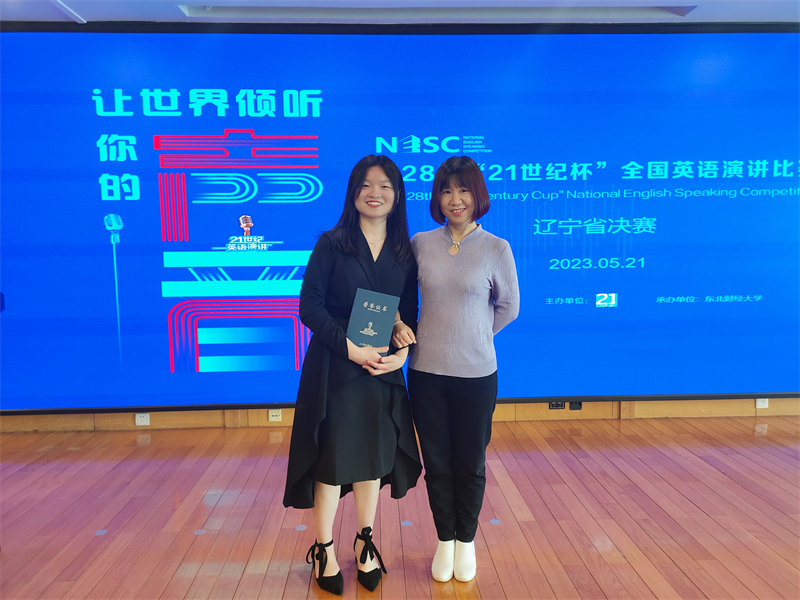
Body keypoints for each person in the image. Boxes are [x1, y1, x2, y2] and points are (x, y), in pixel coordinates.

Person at [283, 155, 421, 595]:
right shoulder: (332, 242)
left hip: (381, 369)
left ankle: (365, 541)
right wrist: (350, 348)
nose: (374, 193)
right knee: (333, 458)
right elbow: (309, 307)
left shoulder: (405, 252)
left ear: (397, 196)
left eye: (384, 186)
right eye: (366, 184)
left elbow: (407, 315)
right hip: (335, 366)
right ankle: (323, 547)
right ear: (352, 191)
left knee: (373, 459)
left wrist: (401, 354)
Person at [393, 155, 520, 583]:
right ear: (437, 197)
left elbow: (509, 306)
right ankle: (444, 539)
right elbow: (402, 298)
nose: (455, 199)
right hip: (425, 372)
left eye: (464, 190)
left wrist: (475, 335)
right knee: (437, 462)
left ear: (477, 194)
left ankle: (465, 540)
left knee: (470, 462)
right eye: (446, 191)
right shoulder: (421, 243)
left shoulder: (496, 248)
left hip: (476, 375)